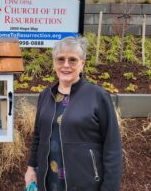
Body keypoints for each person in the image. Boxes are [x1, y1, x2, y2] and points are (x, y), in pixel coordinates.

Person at [24, 36, 123, 191]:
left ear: (82, 63)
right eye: (60, 59)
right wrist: (31, 168)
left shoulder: (98, 96)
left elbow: (112, 147)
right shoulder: (45, 95)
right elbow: (38, 136)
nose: (66, 65)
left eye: (72, 60)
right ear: (54, 63)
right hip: (48, 181)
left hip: (85, 183)